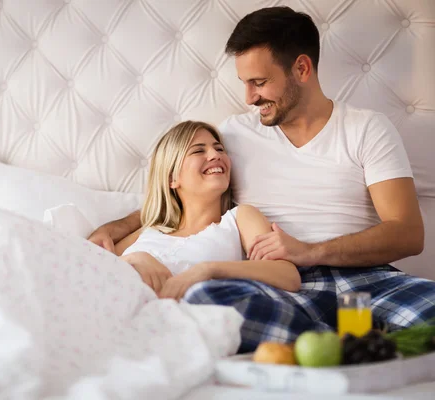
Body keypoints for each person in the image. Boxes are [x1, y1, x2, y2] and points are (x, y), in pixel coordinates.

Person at [88, 6, 435, 352]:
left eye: (260, 82)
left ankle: (332, 347)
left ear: (301, 68)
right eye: (245, 83)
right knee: (206, 299)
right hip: (277, 287)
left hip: (366, 279)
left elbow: (407, 233)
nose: (250, 98)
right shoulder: (233, 137)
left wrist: (310, 252)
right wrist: (119, 228)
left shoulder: (366, 128)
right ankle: (347, 349)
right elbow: (182, 197)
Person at [116, 120, 302, 301]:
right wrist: (134, 258)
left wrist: (208, 269)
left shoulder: (239, 218)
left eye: (219, 149)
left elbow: (288, 277)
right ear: (172, 177)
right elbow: (96, 263)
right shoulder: (150, 231)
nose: (215, 155)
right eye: (198, 150)